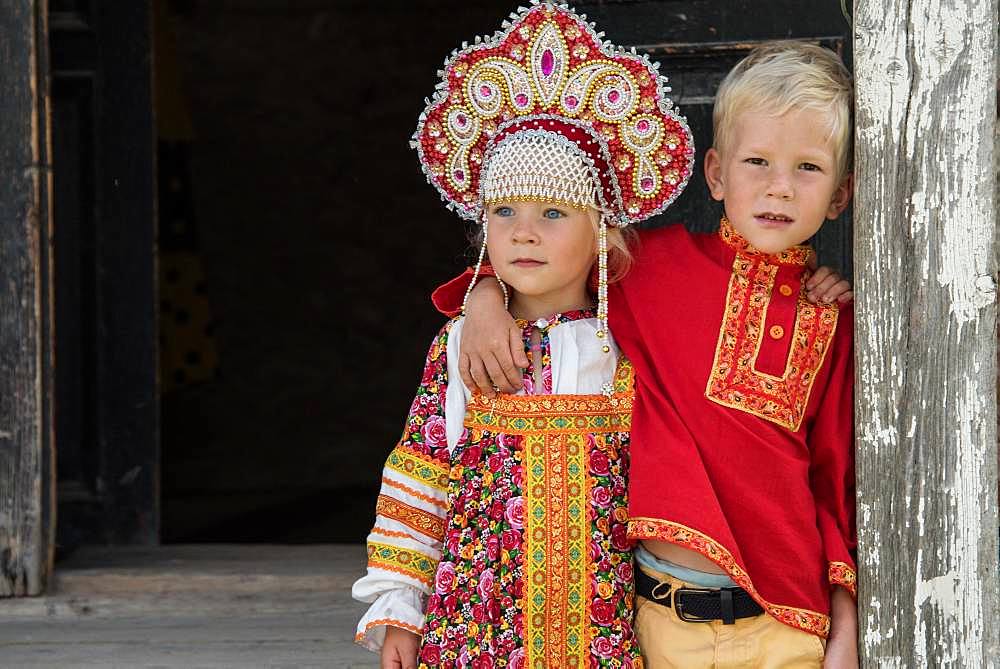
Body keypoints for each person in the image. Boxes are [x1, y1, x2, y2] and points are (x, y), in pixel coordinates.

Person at [438, 40, 859, 668]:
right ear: (715, 174)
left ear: (841, 195)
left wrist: (845, 630)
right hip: (660, 622)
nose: (780, 188)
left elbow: (838, 486)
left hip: (788, 627)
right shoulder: (651, 268)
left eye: (808, 169)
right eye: (758, 162)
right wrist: (483, 295)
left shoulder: (834, 321)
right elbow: (549, 260)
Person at [352, 3, 698, 666]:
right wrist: (401, 605)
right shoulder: (460, 344)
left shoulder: (629, 339)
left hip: (600, 628)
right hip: (477, 626)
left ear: (601, 229)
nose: (523, 230)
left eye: (551, 211)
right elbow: (422, 472)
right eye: (503, 209)